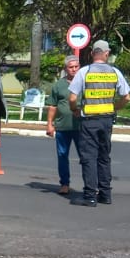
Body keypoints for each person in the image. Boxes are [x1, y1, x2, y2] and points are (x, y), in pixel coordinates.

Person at [67, 39, 130, 207]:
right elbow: (126, 97)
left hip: (89, 121)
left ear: (92, 53)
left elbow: (72, 97)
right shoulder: (115, 72)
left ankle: (90, 196)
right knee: (104, 157)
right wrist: (114, 107)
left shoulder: (84, 72)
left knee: (89, 157)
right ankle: (105, 194)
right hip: (107, 121)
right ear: (107, 54)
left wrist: (75, 109)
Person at [45, 54, 81, 196]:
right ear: (66, 69)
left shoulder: (85, 82)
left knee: (85, 157)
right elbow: (53, 106)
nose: (73, 70)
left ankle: (90, 185)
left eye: (76, 67)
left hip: (82, 127)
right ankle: (64, 184)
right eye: (70, 67)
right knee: (62, 155)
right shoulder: (58, 85)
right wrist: (49, 124)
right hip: (62, 127)